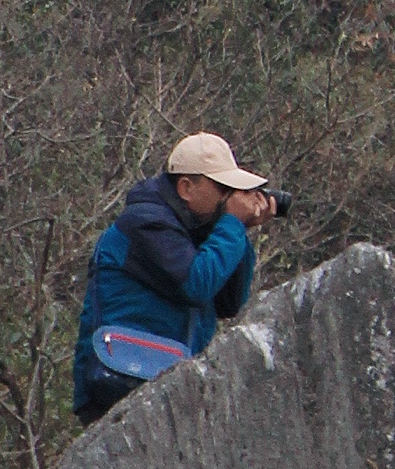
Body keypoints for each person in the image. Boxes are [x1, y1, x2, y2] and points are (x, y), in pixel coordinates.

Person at [72, 131, 279, 427]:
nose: (230, 197)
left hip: (151, 377)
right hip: (116, 379)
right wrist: (232, 223)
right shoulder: (146, 223)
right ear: (186, 188)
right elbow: (197, 284)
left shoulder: (192, 228)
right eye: (223, 187)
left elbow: (228, 302)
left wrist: (240, 229)